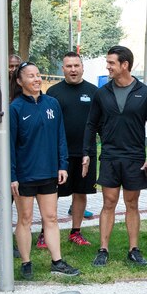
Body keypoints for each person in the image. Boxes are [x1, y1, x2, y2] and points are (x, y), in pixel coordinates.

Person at [82, 45, 147, 268]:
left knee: (132, 204)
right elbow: (90, 125)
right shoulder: (102, 93)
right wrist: (87, 153)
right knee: (109, 203)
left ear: (124, 65)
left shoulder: (146, 93)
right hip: (110, 156)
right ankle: (103, 249)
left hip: (135, 157)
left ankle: (133, 250)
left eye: (111, 63)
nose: (108, 66)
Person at [10, 61, 80, 280]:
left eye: (38, 75)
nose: (36, 79)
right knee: (25, 219)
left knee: (50, 217)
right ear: (20, 81)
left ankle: (57, 261)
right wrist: (12, 176)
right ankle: (26, 262)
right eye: (30, 76)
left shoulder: (52, 104)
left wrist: (62, 165)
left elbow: (60, 136)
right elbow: (10, 146)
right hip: (25, 175)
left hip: (49, 171)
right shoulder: (15, 108)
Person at [46, 51, 98, 248]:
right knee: (52, 194)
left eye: (76, 66)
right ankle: (45, 232)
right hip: (59, 154)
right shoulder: (53, 93)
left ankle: (75, 232)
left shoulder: (94, 92)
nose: (73, 70)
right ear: (63, 69)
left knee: (80, 193)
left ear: (82, 67)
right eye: (69, 66)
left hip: (85, 154)